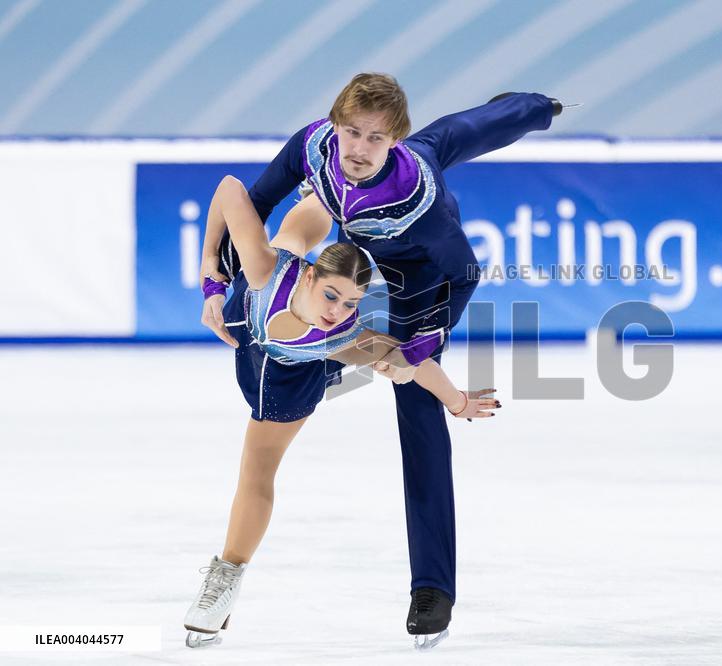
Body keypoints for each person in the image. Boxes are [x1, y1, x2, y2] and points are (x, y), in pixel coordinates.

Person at [199, 72, 561, 647]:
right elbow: (252, 202)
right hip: (350, 254)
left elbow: (465, 272)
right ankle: (530, 105)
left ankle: (433, 588)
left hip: (420, 271)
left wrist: (427, 342)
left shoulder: (423, 204)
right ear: (334, 125)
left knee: (416, 401)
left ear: (393, 140)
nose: (360, 149)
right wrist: (214, 280)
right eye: (353, 132)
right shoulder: (315, 146)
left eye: (376, 138)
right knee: (455, 133)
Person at [184, 175, 499, 649]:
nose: (338, 310)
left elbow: (414, 362)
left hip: (289, 376)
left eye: (351, 303)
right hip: (251, 310)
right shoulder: (269, 267)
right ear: (310, 276)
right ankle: (324, 194)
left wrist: (457, 402)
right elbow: (228, 189)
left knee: (257, 471)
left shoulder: (342, 335)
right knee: (295, 230)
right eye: (332, 296)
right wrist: (211, 274)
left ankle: (224, 580)